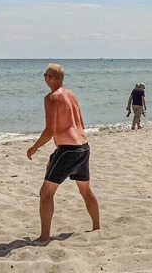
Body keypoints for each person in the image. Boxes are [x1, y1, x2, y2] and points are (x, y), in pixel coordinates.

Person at [26, 64, 100, 243]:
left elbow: (50, 130)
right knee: (85, 190)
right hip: (83, 146)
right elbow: (80, 122)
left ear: (50, 78)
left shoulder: (51, 98)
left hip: (68, 150)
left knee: (46, 193)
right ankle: (97, 226)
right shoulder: (71, 94)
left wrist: (34, 148)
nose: (44, 78)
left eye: (45, 75)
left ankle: (44, 236)